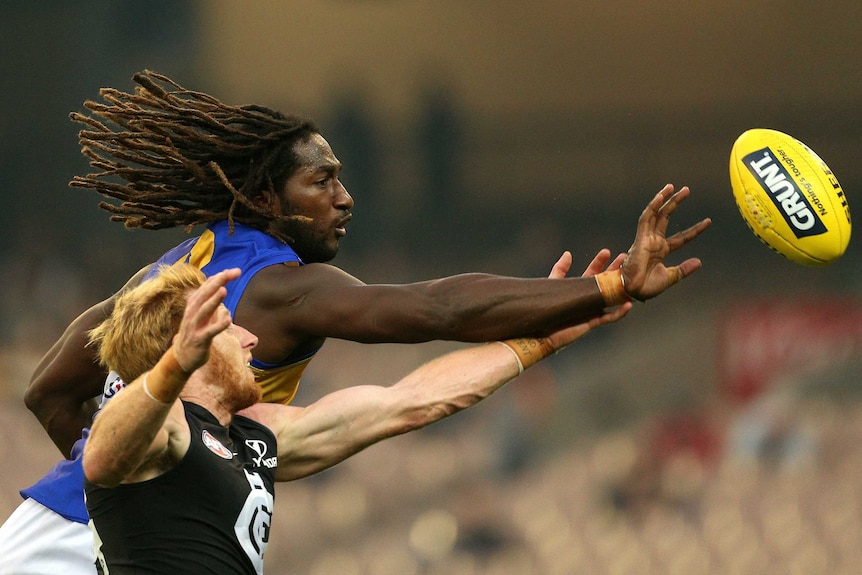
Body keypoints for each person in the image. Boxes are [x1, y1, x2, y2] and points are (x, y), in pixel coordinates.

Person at [0, 70, 710, 574]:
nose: (344, 197)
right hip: (64, 551)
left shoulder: (177, 266)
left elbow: (49, 390)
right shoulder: (281, 287)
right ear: (264, 198)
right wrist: (609, 284)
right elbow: (435, 309)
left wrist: (539, 337)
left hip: (68, 532)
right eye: (322, 180)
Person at [84, 263, 630, 573]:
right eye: (230, 327)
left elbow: (414, 400)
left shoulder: (257, 434)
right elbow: (103, 455)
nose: (250, 337)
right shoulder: (166, 427)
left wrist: (541, 338)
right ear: (191, 345)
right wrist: (174, 365)